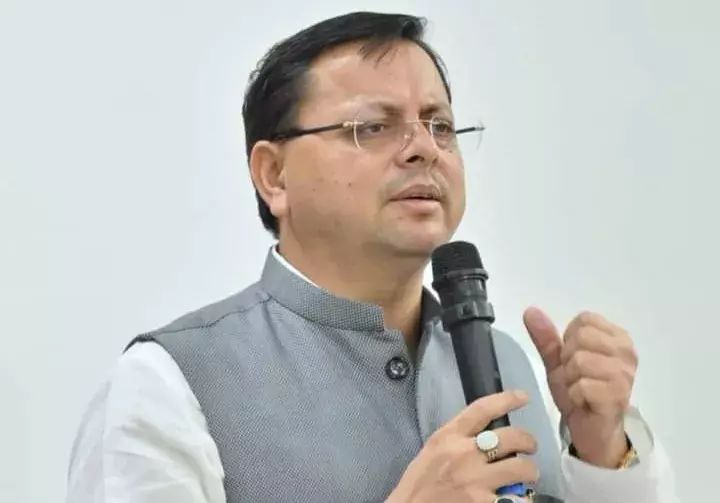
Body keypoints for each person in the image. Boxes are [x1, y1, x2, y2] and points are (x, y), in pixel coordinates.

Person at [66, 11, 680, 503]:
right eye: (373, 127)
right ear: (274, 174)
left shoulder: (504, 362)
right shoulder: (170, 384)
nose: (424, 149)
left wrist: (603, 453)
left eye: (440, 125)